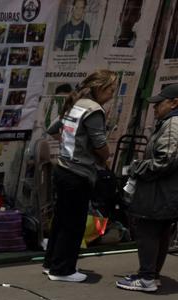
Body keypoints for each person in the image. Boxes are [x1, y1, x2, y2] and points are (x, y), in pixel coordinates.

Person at [44, 69, 117, 281]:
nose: (112, 93)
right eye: (111, 89)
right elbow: (100, 144)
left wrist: (71, 143)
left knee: (60, 219)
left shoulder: (77, 103)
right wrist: (104, 155)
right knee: (74, 223)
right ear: (100, 88)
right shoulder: (94, 110)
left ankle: (51, 264)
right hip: (79, 173)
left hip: (63, 168)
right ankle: (63, 269)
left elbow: (52, 128)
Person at [117, 83, 178, 292]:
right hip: (166, 192)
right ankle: (151, 275)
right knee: (160, 232)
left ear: (174, 103)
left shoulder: (172, 126)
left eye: (159, 104)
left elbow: (165, 160)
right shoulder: (169, 124)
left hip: (160, 192)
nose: (155, 108)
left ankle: (146, 278)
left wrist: (137, 167)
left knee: (148, 231)